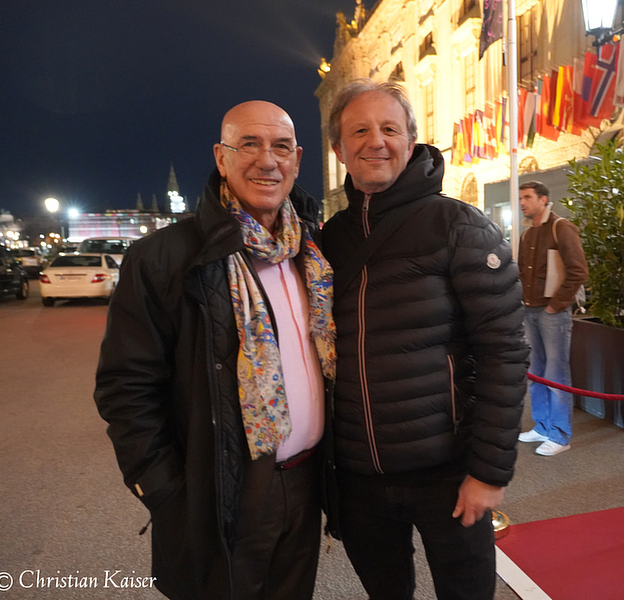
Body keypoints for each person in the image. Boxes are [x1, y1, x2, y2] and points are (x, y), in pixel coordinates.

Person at [94, 100, 336, 600]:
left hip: (306, 482)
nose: (267, 160)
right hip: (222, 492)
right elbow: (126, 388)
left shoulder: (312, 250)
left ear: (297, 160)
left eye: (281, 147)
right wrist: (167, 492)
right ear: (221, 158)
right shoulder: (165, 258)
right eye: (249, 144)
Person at [321, 78, 528, 600]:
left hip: (448, 473)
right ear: (339, 149)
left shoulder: (457, 224)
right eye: (360, 131)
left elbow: (504, 352)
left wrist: (489, 472)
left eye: (390, 129)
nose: (376, 141)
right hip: (359, 478)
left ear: (411, 142)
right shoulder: (329, 241)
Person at [516, 181, 588, 456]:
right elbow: (522, 272)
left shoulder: (561, 227)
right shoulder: (527, 234)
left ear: (543, 199)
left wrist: (554, 306)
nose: (522, 202)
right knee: (536, 371)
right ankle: (543, 426)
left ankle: (559, 434)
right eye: (521, 198)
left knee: (556, 373)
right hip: (530, 311)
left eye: (527, 197)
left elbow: (579, 271)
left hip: (552, 313)